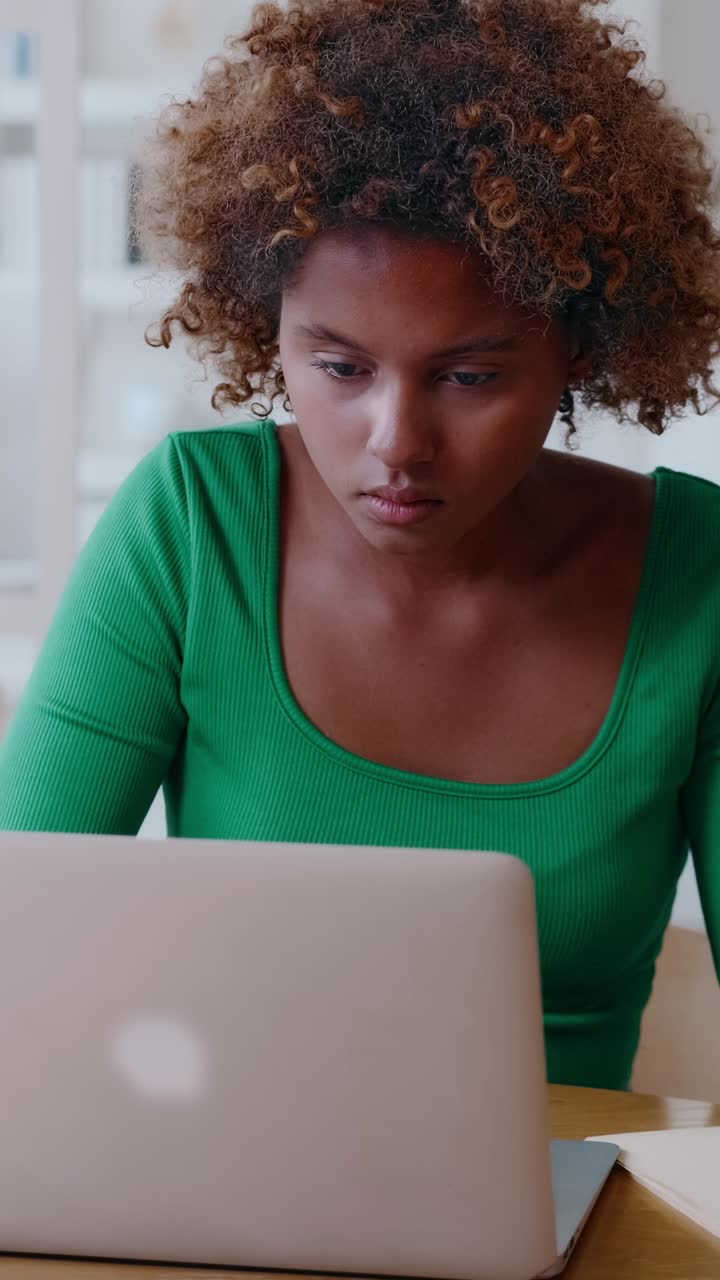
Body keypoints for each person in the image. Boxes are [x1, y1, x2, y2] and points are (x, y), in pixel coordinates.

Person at [1, 0, 720, 1091]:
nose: (396, 445)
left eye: (469, 375)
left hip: (564, 1217)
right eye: (337, 367)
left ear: (580, 346)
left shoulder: (698, 574)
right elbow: (19, 932)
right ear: (268, 329)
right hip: (215, 1198)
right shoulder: (192, 530)